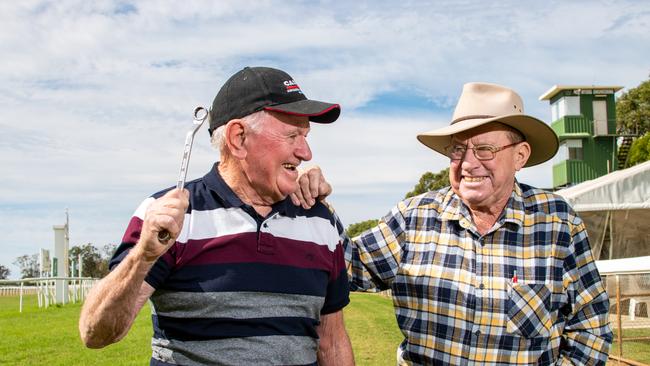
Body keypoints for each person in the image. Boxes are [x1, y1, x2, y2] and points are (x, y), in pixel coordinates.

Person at [300, 82, 612, 365]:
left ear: (520, 156)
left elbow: (591, 327)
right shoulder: (415, 218)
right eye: (458, 149)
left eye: (485, 149)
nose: (468, 163)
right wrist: (317, 207)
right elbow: (344, 266)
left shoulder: (557, 222)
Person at [78, 66, 354, 366]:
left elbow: (333, 342)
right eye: (292, 135)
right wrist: (143, 256)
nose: (306, 153)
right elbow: (96, 334)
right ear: (238, 138)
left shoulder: (319, 220)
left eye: (306, 136)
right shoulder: (171, 215)